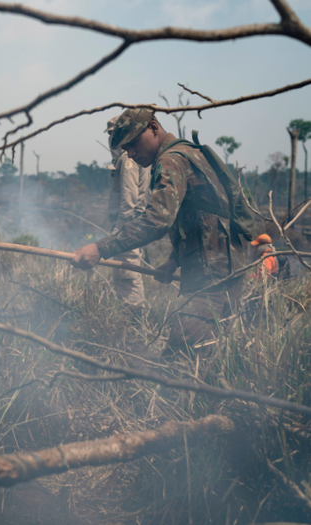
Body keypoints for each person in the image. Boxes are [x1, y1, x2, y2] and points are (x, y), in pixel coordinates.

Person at [71, 108, 246, 353]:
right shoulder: (187, 152)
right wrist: (174, 261)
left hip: (211, 276)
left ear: (153, 128)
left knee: (177, 361)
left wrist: (101, 248)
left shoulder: (170, 160)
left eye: (133, 143)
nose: (130, 154)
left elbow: (157, 220)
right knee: (209, 358)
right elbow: (202, 215)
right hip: (226, 269)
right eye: (125, 149)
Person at [105, 115, 151, 310]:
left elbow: (129, 200)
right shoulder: (128, 158)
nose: (111, 141)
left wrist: (120, 230)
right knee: (125, 272)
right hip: (130, 224)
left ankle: (134, 314)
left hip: (128, 225)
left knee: (128, 272)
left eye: (114, 135)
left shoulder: (127, 160)